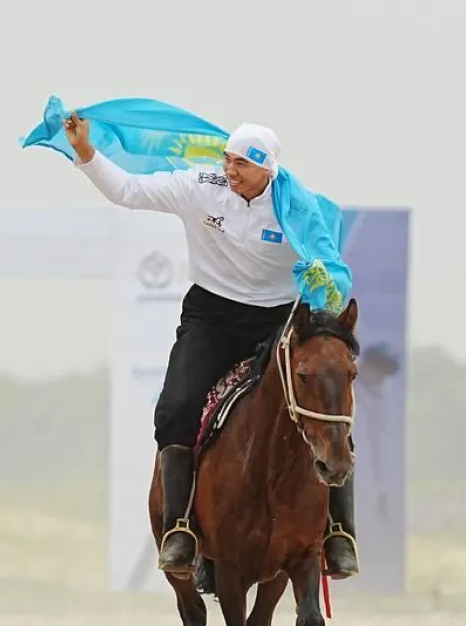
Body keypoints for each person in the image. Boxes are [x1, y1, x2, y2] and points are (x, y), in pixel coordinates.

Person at [60, 109, 361, 582]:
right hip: (211, 318)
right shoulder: (199, 186)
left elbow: (330, 267)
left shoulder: (297, 206)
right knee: (176, 406)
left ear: (268, 170)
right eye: (227, 159)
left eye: (241, 163)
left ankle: (339, 532)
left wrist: (325, 282)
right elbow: (129, 191)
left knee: (321, 401)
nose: (229, 169)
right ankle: (180, 529)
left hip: (277, 321)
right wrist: (85, 153)